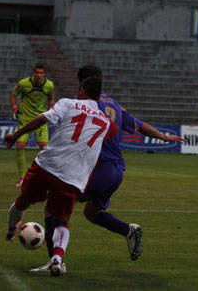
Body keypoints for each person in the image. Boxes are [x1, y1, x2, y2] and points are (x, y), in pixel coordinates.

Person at [31, 65, 187, 272]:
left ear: (82, 85)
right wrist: (164, 136)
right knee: (91, 212)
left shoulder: (84, 105)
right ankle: (128, 230)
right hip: (116, 171)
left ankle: (55, 261)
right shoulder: (114, 104)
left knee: (55, 207)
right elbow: (139, 125)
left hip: (97, 169)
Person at [3, 77, 118, 277]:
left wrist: (15, 135)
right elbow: (107, 135)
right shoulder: (108, 123)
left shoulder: (67, 103)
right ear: (99, 96)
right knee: (62, 220)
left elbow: (42, 119)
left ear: (81, 90)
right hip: (72, 177)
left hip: (47, 165)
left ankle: (12, 228)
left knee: (23, 200)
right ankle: (57, 258)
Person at [9, 63, 54, 185]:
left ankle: (42, 176)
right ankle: (22, 177)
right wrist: (14, 107)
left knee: (44, 149)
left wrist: (50, 108)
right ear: (33, 73)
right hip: (25, 119)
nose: (39, 75)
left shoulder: (49, 85)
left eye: (41, 73)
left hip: (40, 119)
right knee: (19, 146)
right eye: (37, 73)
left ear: (44, 74)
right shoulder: (24, 83)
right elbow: (13, 94)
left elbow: (51, 98)